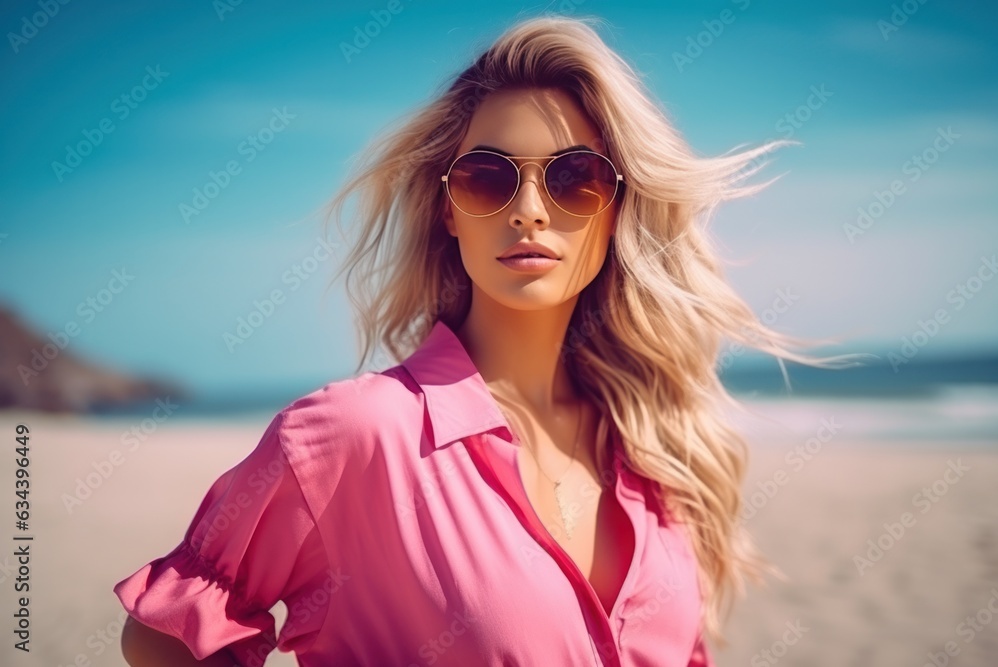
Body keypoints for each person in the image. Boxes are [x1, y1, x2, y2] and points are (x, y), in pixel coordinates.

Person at [115, 14, 850, 667]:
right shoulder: (352, 437)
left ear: (616, 207)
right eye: (487, 177)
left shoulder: (654, 453)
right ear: (448, 210)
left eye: (575, 178)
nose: (530, 210)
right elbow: (164, 636)